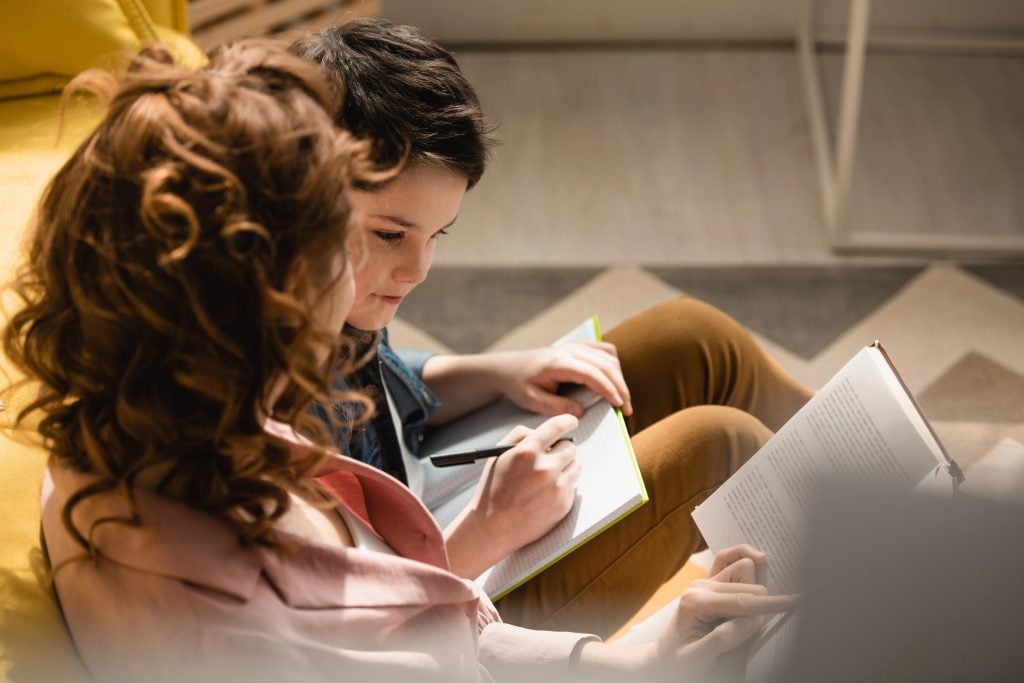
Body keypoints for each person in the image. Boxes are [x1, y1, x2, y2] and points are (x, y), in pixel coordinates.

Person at [5, 41, 795, 682]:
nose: (377, 277)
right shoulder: (233, 619)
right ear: (260, 304)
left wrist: (636, 656)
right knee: (718, 443)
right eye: (343, 250)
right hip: (471, 564)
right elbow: (419, 639)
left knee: (691, 339)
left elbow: (419, 625)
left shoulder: (177, 420)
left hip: (460, 576)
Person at [292, 18, 815, 639]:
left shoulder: (329, 293)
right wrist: (490, 527)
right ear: (299, 197)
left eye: (438, 235)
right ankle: (868, 585)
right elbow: (330, 642)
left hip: (432, 498)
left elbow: (375, 383)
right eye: (390, 235)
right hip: (437, 607)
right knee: (717, 444)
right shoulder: (251, 404)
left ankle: (903, 488)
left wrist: (502, 372)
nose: (418, 269)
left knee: (695, 339)